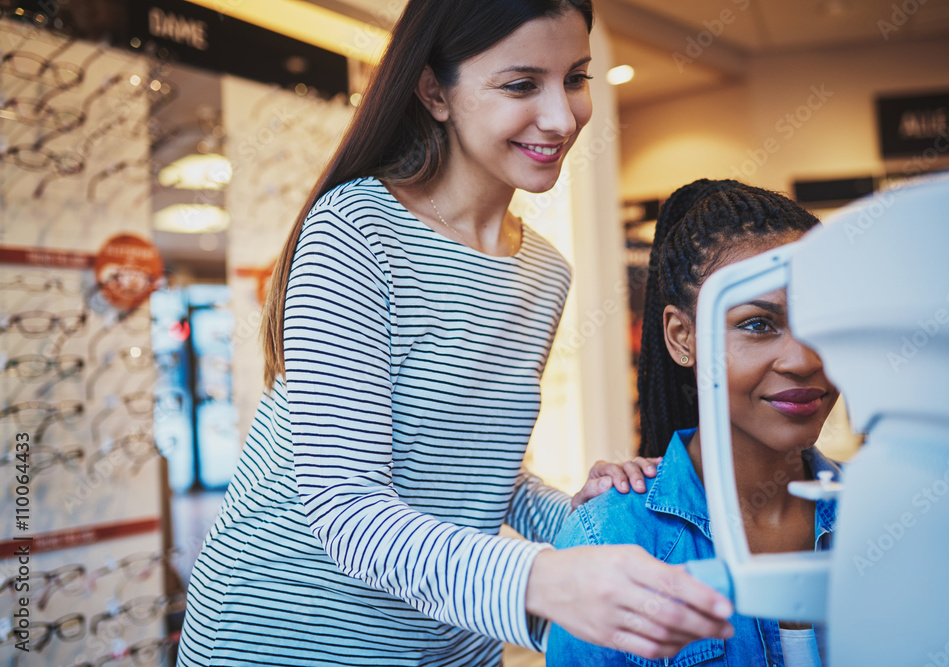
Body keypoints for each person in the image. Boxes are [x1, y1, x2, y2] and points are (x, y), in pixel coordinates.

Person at [176, 2, 734, 665]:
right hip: (285, 635)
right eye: (522, 84)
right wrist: (545, 579)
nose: (562, 118)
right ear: (434, 90)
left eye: (577, 78)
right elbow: (345, 503)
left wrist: (591, 519)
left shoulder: (544, 271)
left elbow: (475, 472)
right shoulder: (356, 228)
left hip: (444, 641)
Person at [546, 179, 842, 666]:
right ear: (682, 337)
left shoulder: (886, 519)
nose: (803, 359)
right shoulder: (615, 541)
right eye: (757, 324)